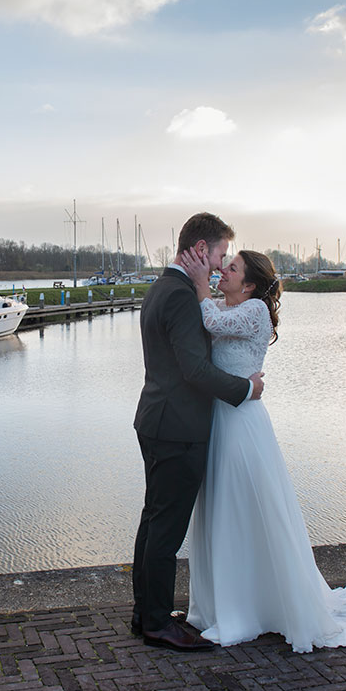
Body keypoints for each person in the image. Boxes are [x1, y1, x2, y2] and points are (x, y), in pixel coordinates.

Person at [179, 247, 346, 651]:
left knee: (242, 504)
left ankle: (253, 605)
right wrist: (201, 291)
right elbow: (206, 321)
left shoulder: (254, 311)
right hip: (219, 416)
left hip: (241, 423)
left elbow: (210, 321)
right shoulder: (223, 304)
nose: (222, 273)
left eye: (231, 269)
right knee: (219, 505)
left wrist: (197, 285)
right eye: (223, 267)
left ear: (249, 284)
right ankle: (221, 603)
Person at [132, 212, 266, 652]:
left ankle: (146, 614)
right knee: (165, 531)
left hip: (157, 420)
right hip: (178, 428)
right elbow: (195, 370)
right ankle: (156, 624)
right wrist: (246, 388)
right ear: (201, 250)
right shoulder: (180, 296)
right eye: (221, 254)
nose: (220, 263)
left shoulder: (163, 287)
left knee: (153, 522)